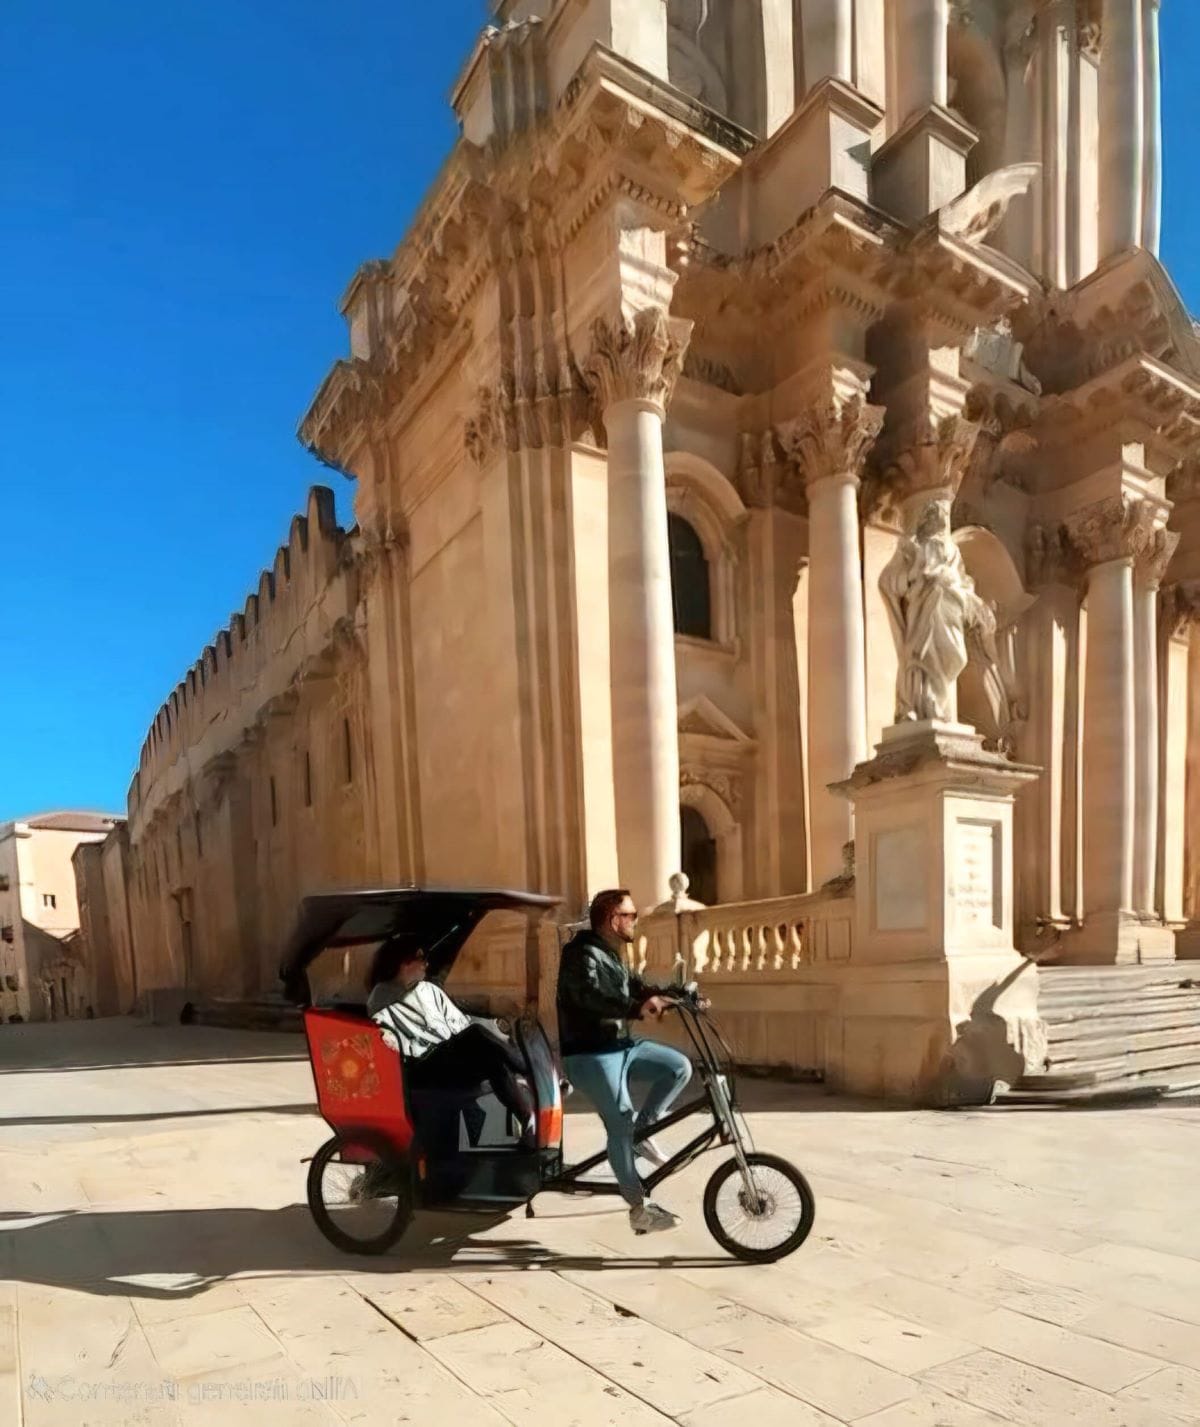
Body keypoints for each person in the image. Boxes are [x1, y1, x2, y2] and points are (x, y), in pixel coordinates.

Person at [556, 888, 695, 1235]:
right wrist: (635, 1008)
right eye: (631, 915)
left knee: (678, 1067)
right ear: (611, 919)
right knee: (619, 1121)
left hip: (620, 1045)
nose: (636, 921)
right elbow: (589, 997)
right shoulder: (580, 955)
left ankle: (643, 1133)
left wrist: (678, 995)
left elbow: (636, 986)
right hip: (590, 1054)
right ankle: (638, 1207)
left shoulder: (612, 953)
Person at [367, 940, 536, 1149]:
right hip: (421, 1065)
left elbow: (458, 1023)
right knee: (476, 1034)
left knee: (492, 1059)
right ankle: (528, 1069)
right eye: (421, 958)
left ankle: (527, 1119)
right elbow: (386, 1035)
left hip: (447, 1057)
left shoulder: (429, 989)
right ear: (403, 963)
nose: (426, 964)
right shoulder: (382, 995)